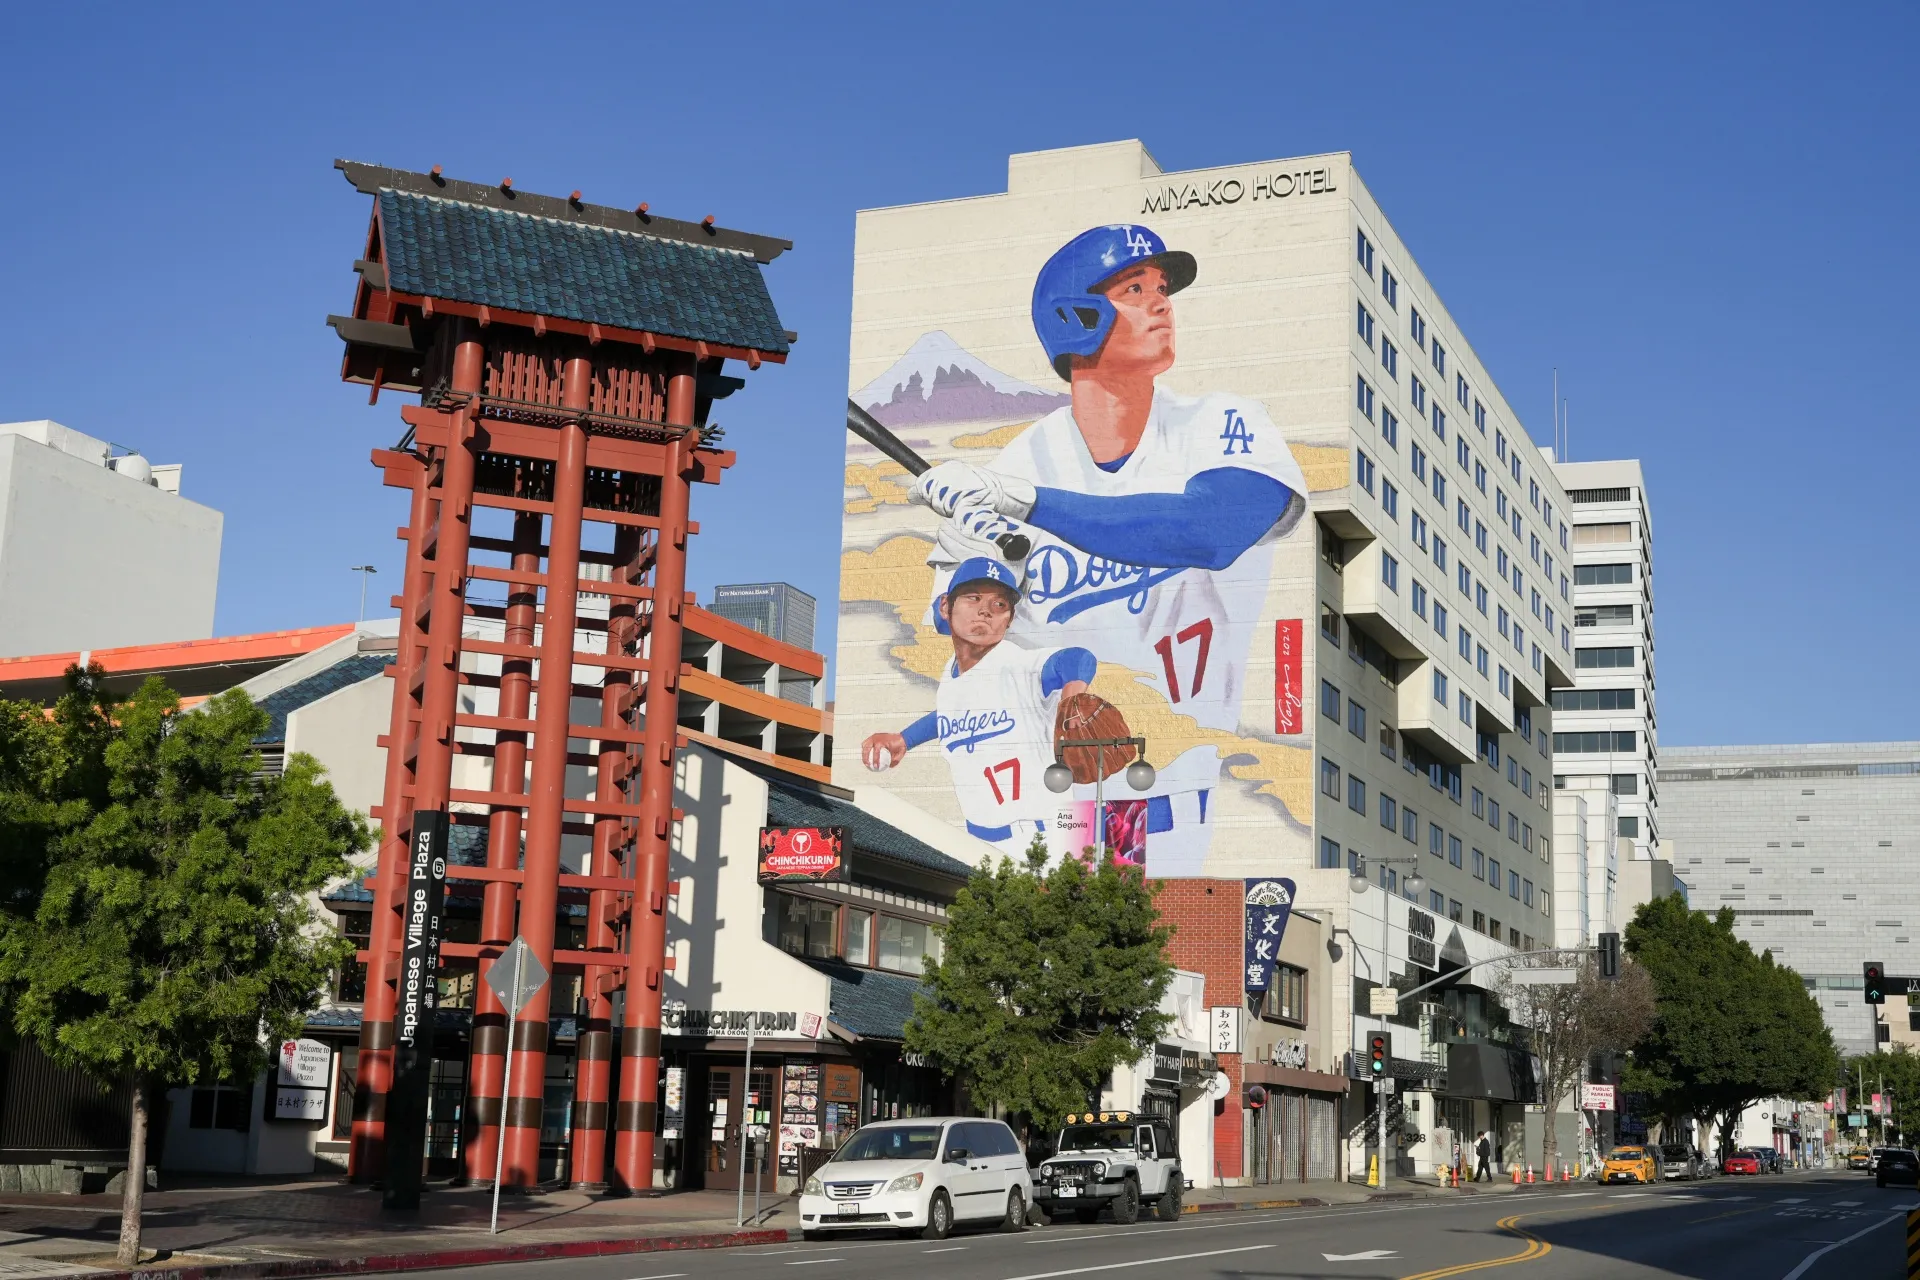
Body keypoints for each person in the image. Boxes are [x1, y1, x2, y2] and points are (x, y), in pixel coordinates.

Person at [910, 224, 1309, 872]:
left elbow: (1211, 531)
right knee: (1037, 937)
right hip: (1042, 808)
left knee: (1150, 940)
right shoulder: (1014, 465)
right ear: (1075, 317)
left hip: (1171, 797)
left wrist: (1027, 503)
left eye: (1162, 287)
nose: (1162, 303)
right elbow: (960, 638)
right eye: (1134, 289)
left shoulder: (1219, 422)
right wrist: (966, 567)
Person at [860, 556, 1097, 854]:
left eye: (999, 604)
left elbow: (1077, 659)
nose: (985, 610)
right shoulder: (952, 674)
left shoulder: (1016, 664)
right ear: (945, 606)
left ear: (1009, 619)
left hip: (1045, 835)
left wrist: (1072, 702)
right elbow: (950, 714)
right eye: (973, 598)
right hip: (981, 840)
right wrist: (905, 739)